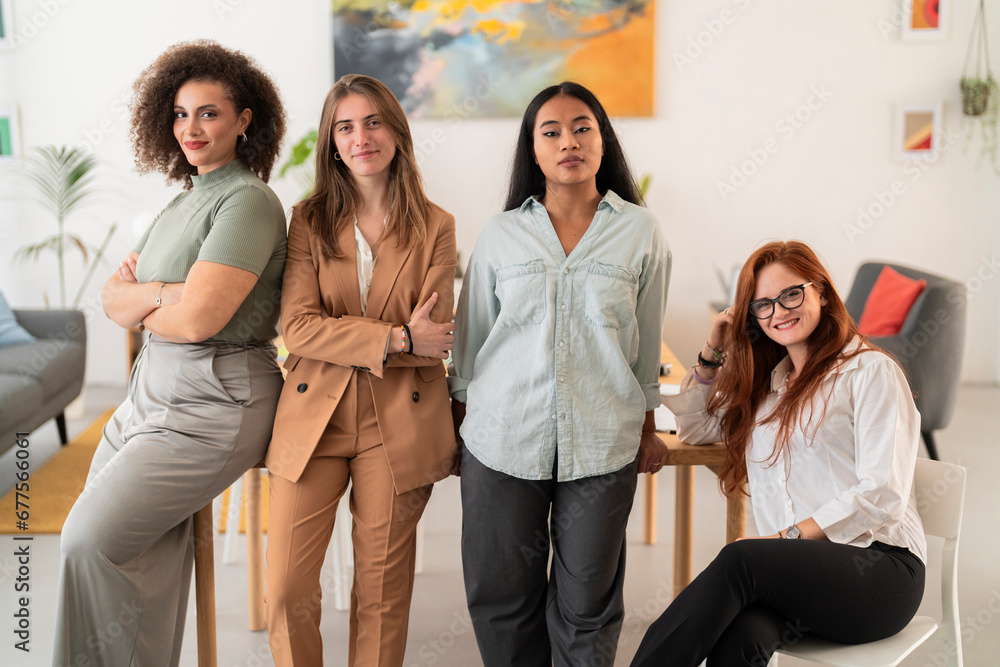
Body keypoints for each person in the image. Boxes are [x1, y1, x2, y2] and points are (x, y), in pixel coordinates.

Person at [54, 40, 287, 665]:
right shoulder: (182, 201)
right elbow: (112, 300)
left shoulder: (247, 200)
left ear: (244, 120)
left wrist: (147, 297)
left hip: (216, 400)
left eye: (209, 113)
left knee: (85, 540)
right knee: (136, 550)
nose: (191, 128)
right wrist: (169, 295)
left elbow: (199, 320)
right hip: (148, 392)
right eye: (181, 114)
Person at [449, 81, 672, 667]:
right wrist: (459, 432)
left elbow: (646, 344)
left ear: (603, 140)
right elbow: (469, 347)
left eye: (582, 128)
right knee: (502, 599)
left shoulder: (641, 232)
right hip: (501, 439)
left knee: (588, 607)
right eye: (550, 132)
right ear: (533, 148)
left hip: (602, 443)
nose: (568, 141)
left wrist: (648, 427)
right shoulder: (500, 233)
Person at [631, 241, 927, 666]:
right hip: (799, 578)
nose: (779, 312)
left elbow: (882, 494)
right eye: (763, 305)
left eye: (791, 294)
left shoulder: (869, 372)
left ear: (821, 291)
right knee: (740, 636)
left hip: (880, 573)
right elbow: (696, 431)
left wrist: (784, 540)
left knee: (741, 559)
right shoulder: (769, 388)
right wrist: (712, 352)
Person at [264, 74, 457, 667]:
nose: (360, 137)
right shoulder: (309, 220)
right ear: (331, 141)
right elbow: (298, 327)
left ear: (396, 130)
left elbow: (435, 340)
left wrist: (370, 337)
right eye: (345, 126)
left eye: (373, 122)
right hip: (312, 418)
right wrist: (396, 336)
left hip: (397, 421)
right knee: (286, 591)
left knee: (381, 596)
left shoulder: (437, 225)